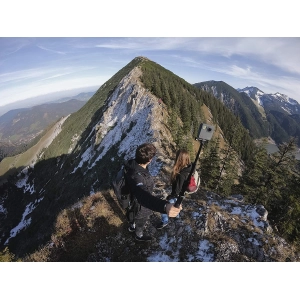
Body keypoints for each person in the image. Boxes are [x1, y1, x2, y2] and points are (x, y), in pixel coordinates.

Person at [124, 143, 182, 242]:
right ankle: (139, 235)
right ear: (149, 160)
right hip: (140, 205)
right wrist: (164, 206)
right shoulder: (137, 176)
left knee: (132, 213)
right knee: (141, 220)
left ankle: (131, 226)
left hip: (131, 199)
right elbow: (143, 196)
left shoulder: (133, 164)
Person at [156, 149, 192, 230]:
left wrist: (170, 197)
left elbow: (177, 191)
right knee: (176, 203)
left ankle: (164, 221)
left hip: (179, 195)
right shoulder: (190, 168)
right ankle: (176, 217)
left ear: (179, 159)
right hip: (184, 194)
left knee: (164, 206)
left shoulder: (181, 175)